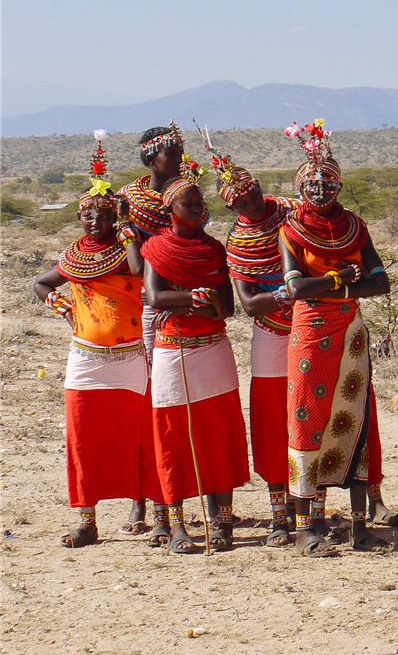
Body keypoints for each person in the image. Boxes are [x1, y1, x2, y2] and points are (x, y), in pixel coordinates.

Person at [32, 134, 158, 547]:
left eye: (102, 215)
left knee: (140, 435)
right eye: (87, 216)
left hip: (129, 357)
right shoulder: (74, 255)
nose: (93, 222)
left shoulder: (127, 252)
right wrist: (62, 307)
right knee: (83, 438)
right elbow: (40, 283)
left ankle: (157, 515)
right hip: (84, 360)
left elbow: (143, 274)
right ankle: (86, 520)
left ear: (114, 218)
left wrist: (126, 235)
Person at [279, 120, 391, 556]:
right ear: (301, 186)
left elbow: (380, 282)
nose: (320, 189)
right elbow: (294, 290)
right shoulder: (290, 230)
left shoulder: (355, 228)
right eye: (312, 183)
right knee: (307, 422)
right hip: (309, 333)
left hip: (351, 334)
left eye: (328, 182)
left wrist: (333, 286)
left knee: (356, 420)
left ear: (340, 185)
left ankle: (359, 526)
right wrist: (340, 277)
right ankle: (307, 528)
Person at [141, 164, 248, 553]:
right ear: (172, 208)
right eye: (191, 204)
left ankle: (221, 523)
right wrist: (199, 298)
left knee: (218, 432)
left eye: (201, 203)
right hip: (172, 351)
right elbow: (156, 299)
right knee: (171, 435)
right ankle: (178, 525)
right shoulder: (155, 249)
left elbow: (225, 308)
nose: (200, 209)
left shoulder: (213, 249)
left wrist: (190, 300)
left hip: (213, 349)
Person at [212, 140, 302, 547]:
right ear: (229, 207)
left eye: (251, 191)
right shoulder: (237, 244)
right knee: (270, 420)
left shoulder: (293, 212)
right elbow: (249, 304)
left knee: (312, 411)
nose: (249, 200)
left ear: (260, 184)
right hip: (270, 334)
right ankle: (279, 512)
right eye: (239, 200)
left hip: (314, 325)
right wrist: (294, 293)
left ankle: (313, 505)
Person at [115, 122, 184, 540]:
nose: (175, 159)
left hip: (186, 303)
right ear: (150, 157)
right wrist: (127, 234)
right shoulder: (129, 199)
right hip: (146, 306)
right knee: (149, 399)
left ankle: (175, 495)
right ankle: (143, 499)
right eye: (169, 152)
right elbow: (136, 265)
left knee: (179, 402)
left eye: (178, 151)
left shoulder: (184, 194)